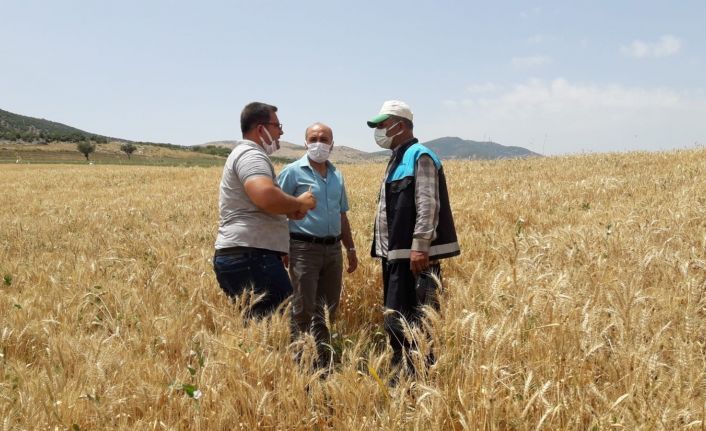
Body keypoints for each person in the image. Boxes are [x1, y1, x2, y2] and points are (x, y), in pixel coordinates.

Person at [366, 100, 460, 375]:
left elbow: (428, 204)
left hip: (414, 258)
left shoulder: (420, 156)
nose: (380, 131)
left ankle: (418, 377)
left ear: (401, 125)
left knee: (414, 322)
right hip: (395, 256)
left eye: (383, 125)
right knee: (398, 320)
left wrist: (420, 247)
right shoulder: (397, 159)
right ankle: (405, 375)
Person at [213, 102, 317, 318]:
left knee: (259, 329)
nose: (281, 132)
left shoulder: (243, 154)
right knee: (278, 327)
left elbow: (262, 202)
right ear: (261, 129)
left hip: (245, 255)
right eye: (277, 126)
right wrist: (299, 203)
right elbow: (265, 195)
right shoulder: (251, 155)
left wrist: (286, 210)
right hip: (253, 257)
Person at [278, 122, 358, 367]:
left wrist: (350, 248)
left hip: (333, 250)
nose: (318, 144)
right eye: (313, 139)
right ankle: (301, 363)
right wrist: (281, 247)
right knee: (303, 308)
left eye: (324, 139)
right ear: (305, 143)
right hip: (303, 249)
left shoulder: (337, 176)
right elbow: (277, 211)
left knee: (327, 309)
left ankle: (322, 362)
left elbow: (341, 215)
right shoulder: (292, 172)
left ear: (332, 144)